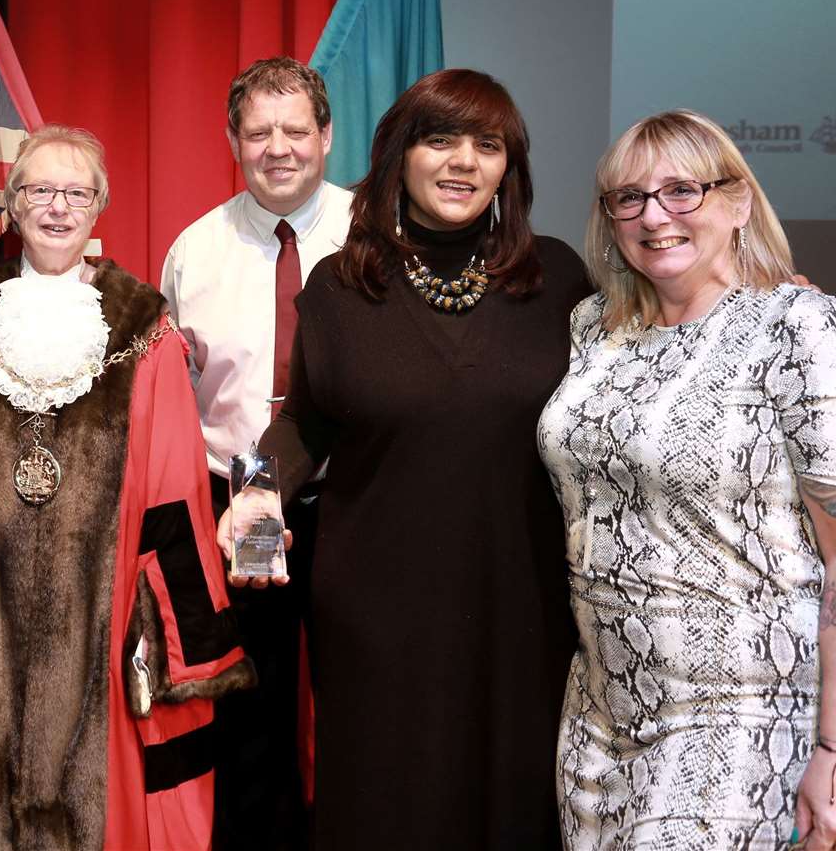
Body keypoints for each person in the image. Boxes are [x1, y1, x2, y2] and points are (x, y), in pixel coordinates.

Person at [247, 69, 591, 848]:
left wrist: (755, 299)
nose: (463, 161)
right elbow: (303, 422)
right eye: (440, 139)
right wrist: (255, 490)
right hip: (376, 611)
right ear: (400, 155)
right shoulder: (339, 287)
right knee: (384, 805)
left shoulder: (561, 279)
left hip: (523, 605)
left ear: (510, 167)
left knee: (512, 804)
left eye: (487, 143)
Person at [0, 125, 252, 850]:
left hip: (102, 600)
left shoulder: (142, 325)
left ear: (98, 208)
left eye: (75, 193)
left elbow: (175, 481)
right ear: (13, 206)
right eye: (39, 191)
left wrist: (159, 620)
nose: (57, 207)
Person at [538, 110, 836, 850]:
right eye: (627, 197)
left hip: (743, 713)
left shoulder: (800, 326)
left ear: (736, 203)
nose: (653, 214)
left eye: (680, 191)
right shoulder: (591, 328)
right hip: (600, 721)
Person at [159, 56, 352, 847]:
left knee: (358, 698)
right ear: (233, 140)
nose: (278, 147)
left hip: (352, 499)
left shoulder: (376, 233)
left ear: (326, 137)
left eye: (295, 130)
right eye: (258, 131)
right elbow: (170, 393)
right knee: (249, 702)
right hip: (236, 498)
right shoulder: (193, 251)